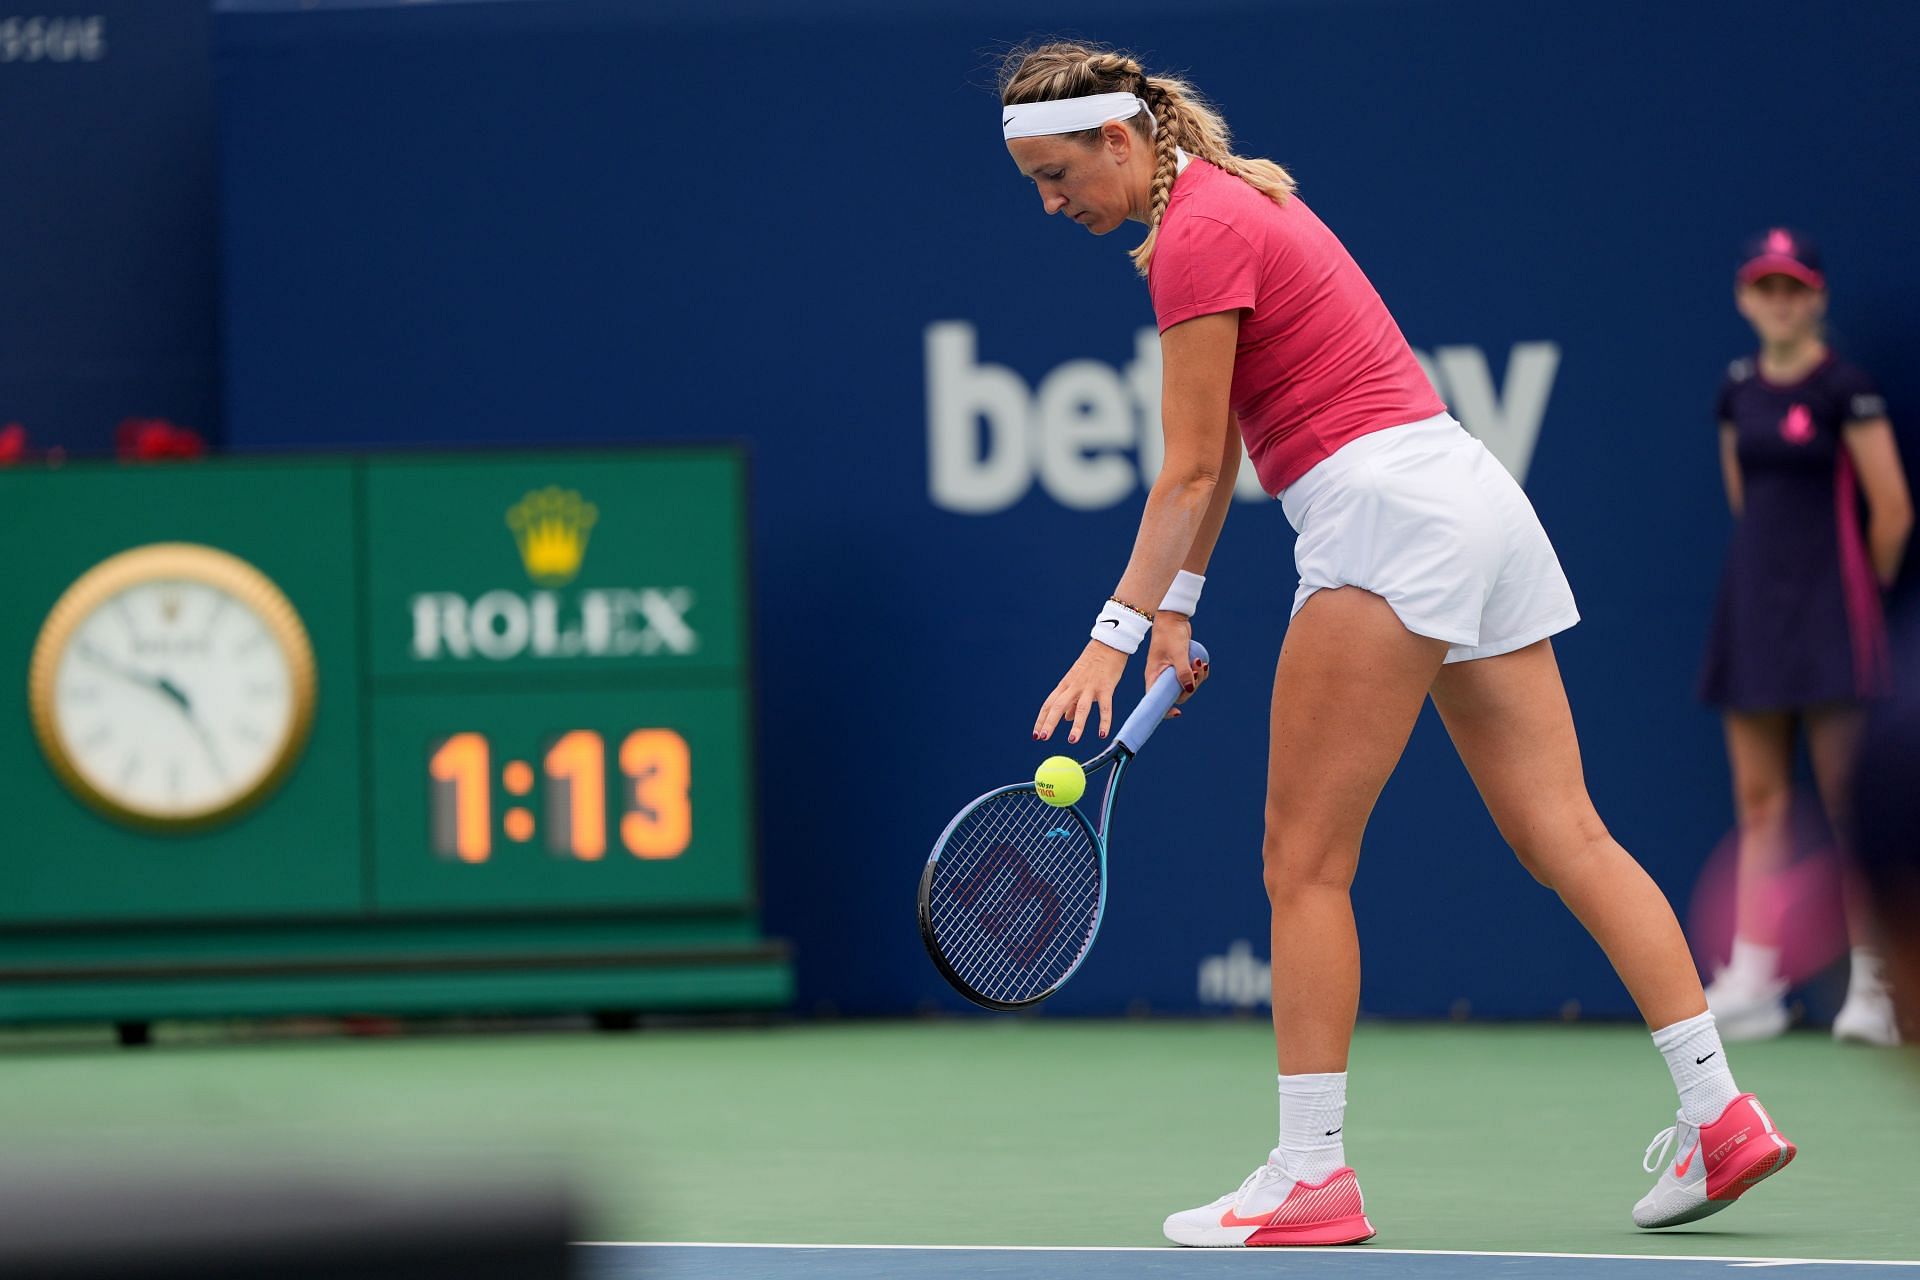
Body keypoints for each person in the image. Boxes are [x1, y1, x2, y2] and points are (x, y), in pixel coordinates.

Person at [998, 41, 1795, 1246]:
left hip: (1380, 518)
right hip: (1468, 494)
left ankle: (1310, 1170)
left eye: (1058, 175)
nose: (1053, 205)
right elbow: (1220, 457)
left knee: (1302, 864)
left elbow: (1194, 465)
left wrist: (1107, 639)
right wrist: (1177, 607)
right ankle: (1720, 1109)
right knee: (1567, 830)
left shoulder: (1200, 232)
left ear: (1122, 139)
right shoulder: (1232, 203)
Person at [1697, 229, 1912, 1046]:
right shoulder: (1737, 391)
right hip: (1754, 611)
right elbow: (1743, 499)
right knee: (1760, 802)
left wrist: (1858, 600)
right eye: (1765, 288)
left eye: (1794, 289)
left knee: (1851, 802)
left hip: (1834, 615)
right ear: (1746, 298)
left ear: (1816, 298)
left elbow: (1891, 512)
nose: (1780, 302)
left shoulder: (1845, 388)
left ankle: (1874, 986)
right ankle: (1753, 979)